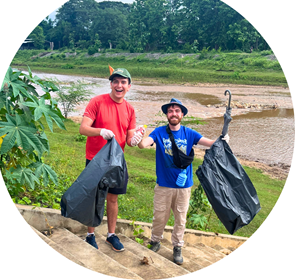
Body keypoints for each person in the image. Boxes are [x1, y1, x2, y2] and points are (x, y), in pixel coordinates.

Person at [136, 98, 229, 265]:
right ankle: (155, 241)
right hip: (163, 185)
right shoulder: (158, 132)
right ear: (166, 114)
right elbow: (144, 144)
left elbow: (210, 144)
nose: (173, 114)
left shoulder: (189, 133)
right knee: (159, 217)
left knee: (180, 218)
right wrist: (138, 139)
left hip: (183, 187)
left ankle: (177, 247)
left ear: (182, 114)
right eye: (170, 111)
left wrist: (222, 139)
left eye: (177, 111)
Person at [79, 68, 142, 252]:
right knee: (94, 198)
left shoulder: (130, 109)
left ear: (129, 86)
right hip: (96, 160)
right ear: (111, 84)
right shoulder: (97, 102)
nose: (119, 85)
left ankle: (111, 235)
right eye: (116, 81)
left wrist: (135, 139)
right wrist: (100, 131)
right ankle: (90, 235)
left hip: (116, 161)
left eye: (123, 82)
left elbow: (129, 140)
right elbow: (83, 128)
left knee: (112, 199)